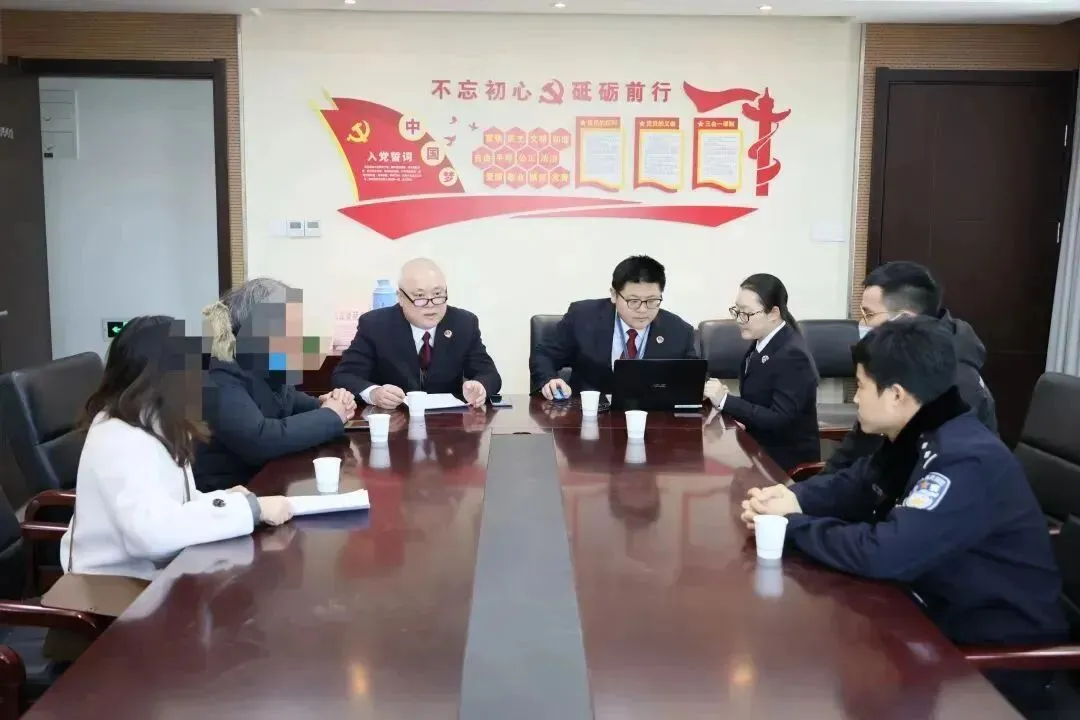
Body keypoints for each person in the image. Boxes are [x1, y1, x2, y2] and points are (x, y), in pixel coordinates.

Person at [740, 318, 1066, 715]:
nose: (855, 399)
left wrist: (793, 528)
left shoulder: (964, 459)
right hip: (927, 613)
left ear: (896, 395)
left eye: (860, 386)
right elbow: (858, 484)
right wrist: (791, 498)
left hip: (994, 657)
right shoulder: (918, 434)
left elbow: (886, 553)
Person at [62, 316, 293, 582]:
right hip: (111, 584)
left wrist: (227, 500)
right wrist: (250, 510)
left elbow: (171, 505)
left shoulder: (155, 419)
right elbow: (152, 535)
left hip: (158, 572)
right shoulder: (119, 439)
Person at [824, 260, 996, 474]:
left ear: (903, 320)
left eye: (869, 315)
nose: (863, 324)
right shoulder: (894, 356)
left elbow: (936, 475)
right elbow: (857, 446)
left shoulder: (956, 381)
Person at [194, 278, 355, 491]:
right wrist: (330, 415)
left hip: (267, 481)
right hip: (229, 493)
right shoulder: (220, 371)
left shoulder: (267, 361)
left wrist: (332, 403)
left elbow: (291, 401)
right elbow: (258, 440)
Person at [333, 258, 501, 409]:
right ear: (401, 297)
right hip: (394, 420)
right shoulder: (375, 325)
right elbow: (344, 376)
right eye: (420, 296)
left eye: (438, 294)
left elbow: (489, 374)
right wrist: (374, 393)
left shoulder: (463, 323)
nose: (431, 304)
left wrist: (480, 387)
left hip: (447, 422)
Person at [529, 255, 697, 398]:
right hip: (587, 414)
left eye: (652, 301)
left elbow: (693, 376)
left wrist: (703, 388)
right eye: (633, 301)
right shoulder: (582, 317)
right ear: (614, 295)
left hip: (652, 418)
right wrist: (549, 380)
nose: (643, 309)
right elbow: (544, 354)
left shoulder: (679, 331)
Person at [704, 273, 819, 473]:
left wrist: (726, 401)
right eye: (737, 311)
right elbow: (759, 401)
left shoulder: (792, 354)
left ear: (773, 313)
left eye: (747, 313)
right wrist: (725, 401)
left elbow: (779, 419)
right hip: (757, 452)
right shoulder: (763, 342)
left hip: (784, 464)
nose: (739, 320)